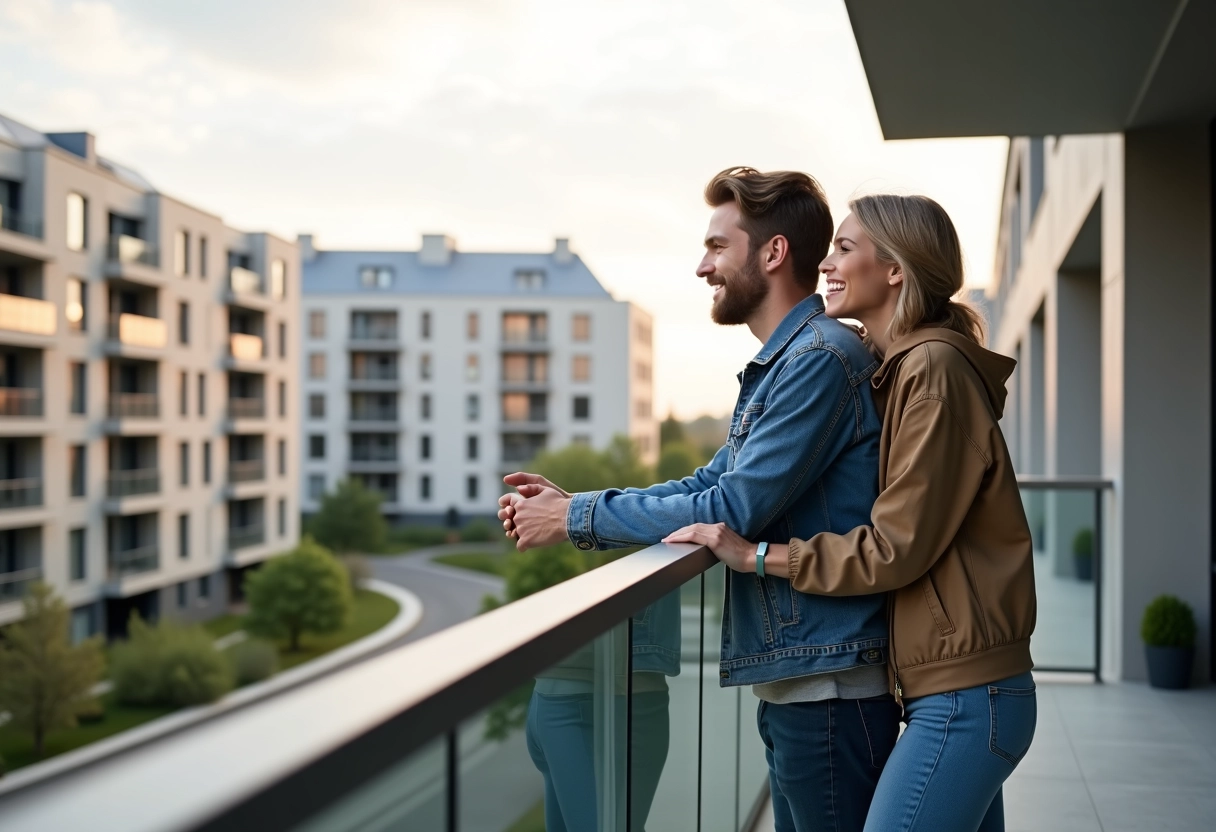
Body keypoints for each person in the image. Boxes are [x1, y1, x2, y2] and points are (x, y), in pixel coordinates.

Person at [501, 167, 902, 832]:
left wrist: (572, 519)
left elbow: (731, 508)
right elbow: (703, 486)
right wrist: (577, 504)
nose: (702, 266)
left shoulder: (818, 360)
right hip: (805, 681)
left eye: (717, 246)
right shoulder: (788, 363)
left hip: (829, 689)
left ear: (772, 253)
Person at [664, 193, 1038, 832]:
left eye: (844, 248)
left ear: (894, 269)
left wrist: (759, 555)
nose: (826, 265)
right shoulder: (899, 370)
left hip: (968, 699)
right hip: (950, 693)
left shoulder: (932, 370)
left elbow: (896, 547)